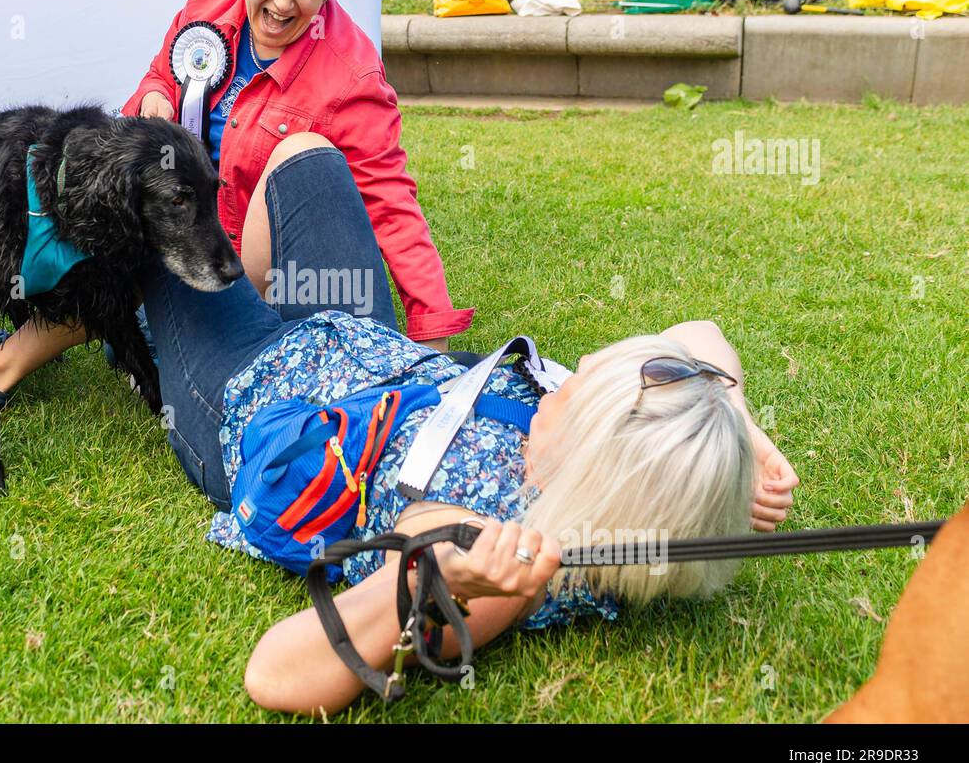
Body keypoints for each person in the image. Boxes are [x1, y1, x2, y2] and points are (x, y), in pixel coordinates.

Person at [115, 132, 798, 714]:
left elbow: (273, 675)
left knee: (147, 197)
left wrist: (424, 579)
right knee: (306, 153)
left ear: (593, 459)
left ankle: (98, 337)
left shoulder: (484, 541)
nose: (581, 359)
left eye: (584, 383)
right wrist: (732, 427)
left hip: (253, 397)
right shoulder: (592, 460)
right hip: (359, 340)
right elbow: (701, 333)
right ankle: (234, 296)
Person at [0, 0, 473, 420]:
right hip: (181, 216)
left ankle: (128, 335)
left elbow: (391, 204)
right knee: (117, 223)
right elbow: (160, 76)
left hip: (244, 247)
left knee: (168, 252)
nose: (284, 1)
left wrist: (433, 333)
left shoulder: (351, 76)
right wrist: (152, 97)